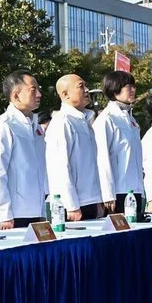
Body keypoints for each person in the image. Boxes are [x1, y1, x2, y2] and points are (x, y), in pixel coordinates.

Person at [0, 71, 49, 229]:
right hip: (12, 216)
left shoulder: (35, 126)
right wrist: (4, 214)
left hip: (34, 211)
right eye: (33, 90)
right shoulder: (3, 126)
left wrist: (42, 211)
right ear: (15, 95)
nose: (39, 94)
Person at [46, 74, 106, 221]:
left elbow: (91, 164)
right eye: (81, 86)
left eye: (86, 86)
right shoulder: (62, 122)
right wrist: (71, 204)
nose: (87, 90)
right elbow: (60, 168)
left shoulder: (84, 120)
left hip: (90, 200)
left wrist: (98, 200)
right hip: (74, 205)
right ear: (65, 94)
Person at [93, 69, 145, 216]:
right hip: (118, 192)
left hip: (135, 189)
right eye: (128, 86)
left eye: (133, 86)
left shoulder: (131, 119)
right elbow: (102, 158)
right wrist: (108, 193)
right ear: (115, 90)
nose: (133, 90)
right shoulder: (106, 119)